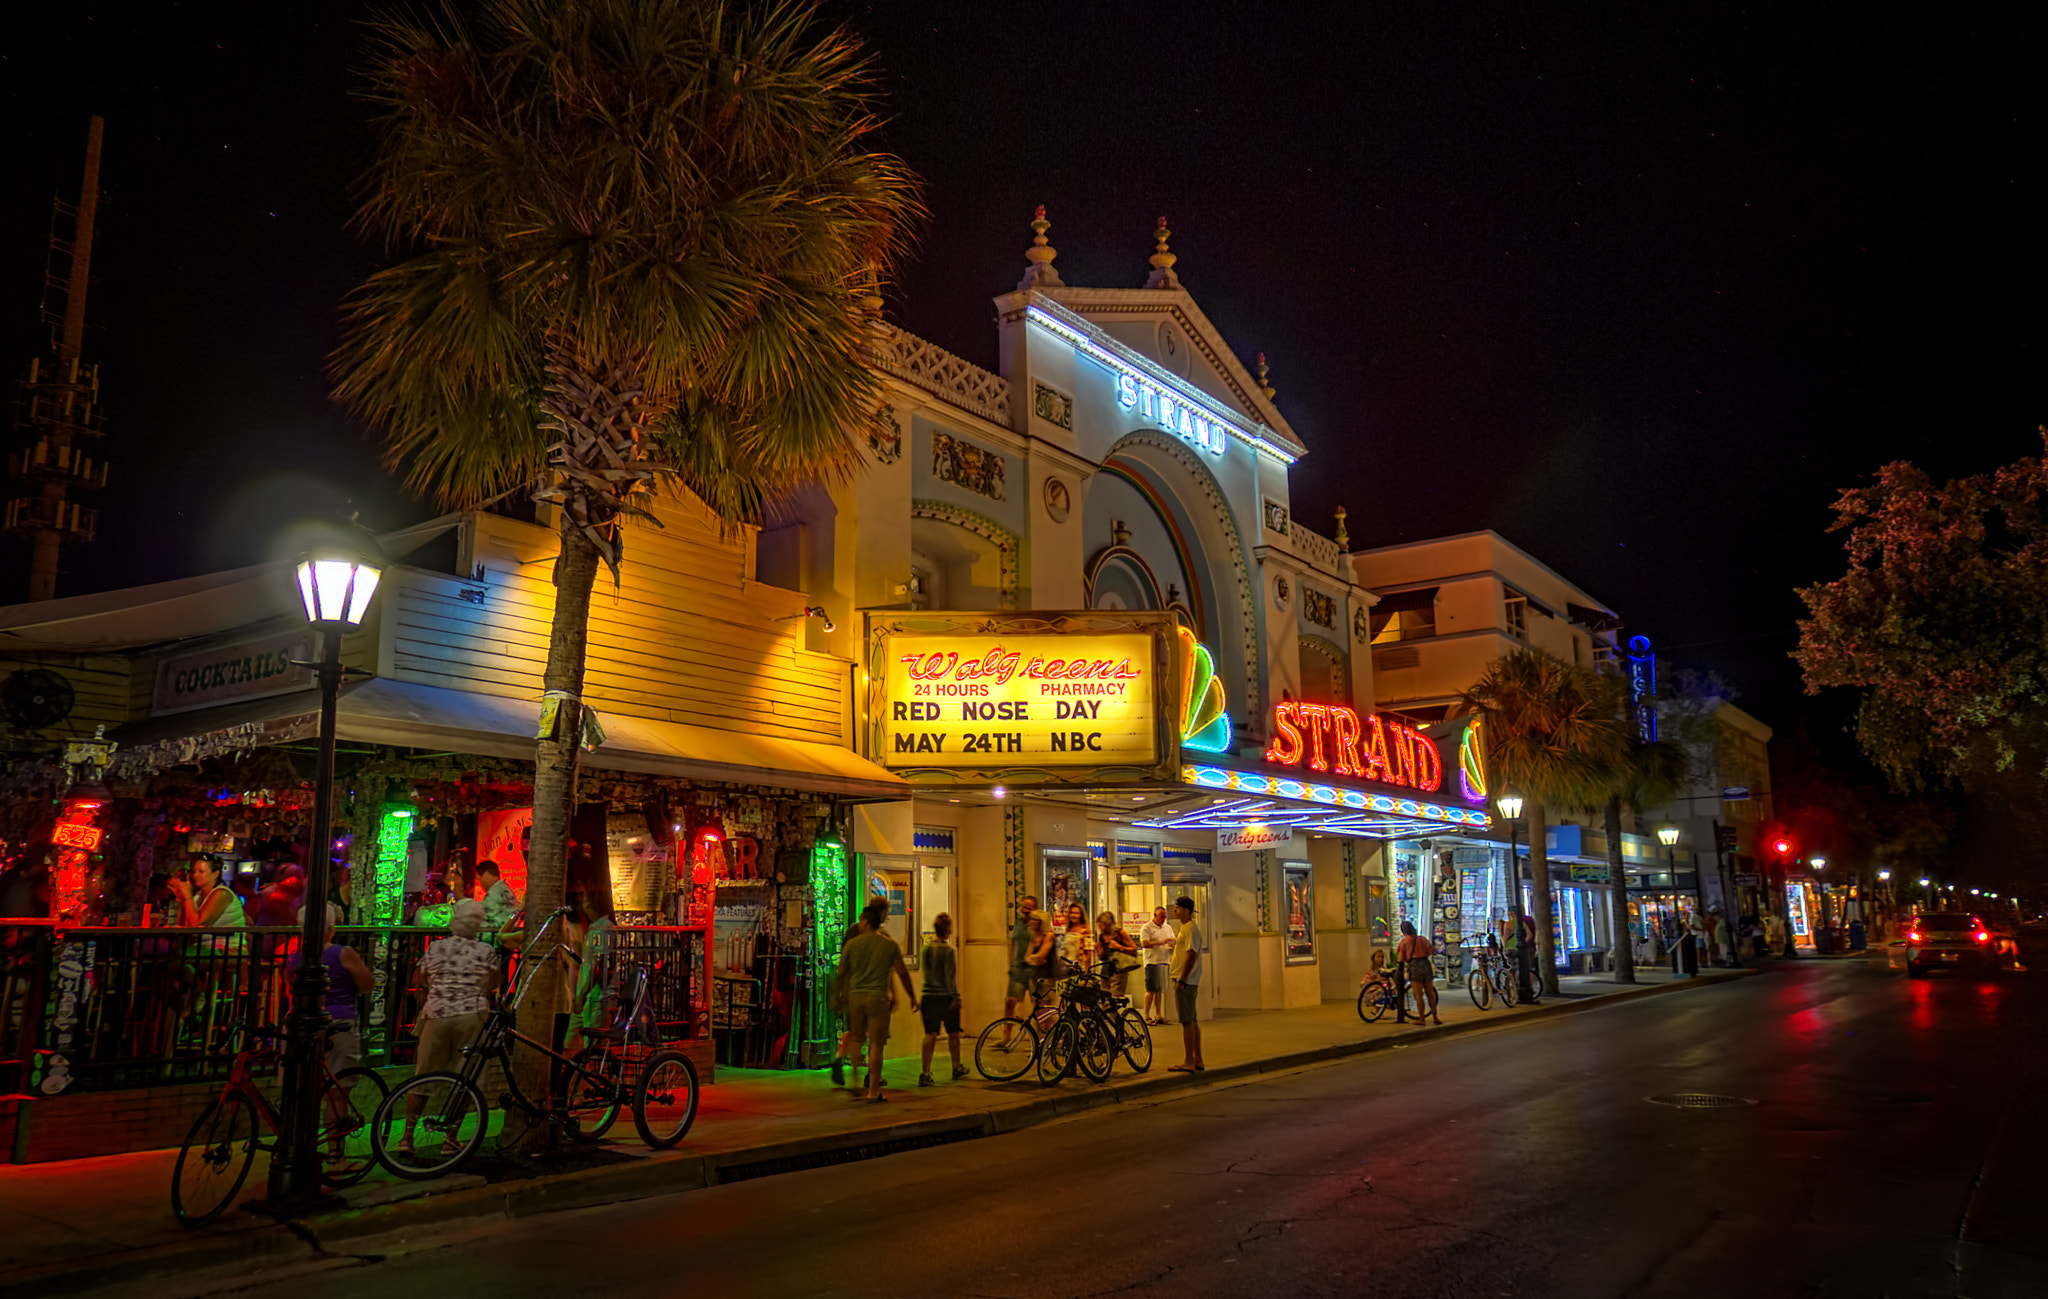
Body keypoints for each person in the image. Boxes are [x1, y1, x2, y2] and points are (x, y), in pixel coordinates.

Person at [398, 899, 499, 1153]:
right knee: (466, 1079)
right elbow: (494, 982)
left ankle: (407, 1138)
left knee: (423, 1077)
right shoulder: (485, 951)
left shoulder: (435, 948)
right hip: (472, 1017)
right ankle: (451, 1138)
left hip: (436, 1015)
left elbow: (419, 979)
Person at [841, 897, 915, 1101]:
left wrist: (839, 995)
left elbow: (842, 971)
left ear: (865, 919)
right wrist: (910, 997)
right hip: (877, 997)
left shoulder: (852, 939)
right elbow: (899, 972)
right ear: (879, 915)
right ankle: (873, 1090)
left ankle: (853, 1078)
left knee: (856, 1037)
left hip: (855, 996)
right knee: (876, 1043)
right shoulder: (887, 941)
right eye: (886, 912)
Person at [287, 902, 374, 1074]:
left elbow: (289, 988)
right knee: (339, 1083)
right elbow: (367, 984)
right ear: (331, 928)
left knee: (300, 1081)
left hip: (300, 1024)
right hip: (339, 1022)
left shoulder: (294, 958)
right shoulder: (344, 954)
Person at [917, 912, 966, 1086]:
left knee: (930, 1034)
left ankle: (925, 1072)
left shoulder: (926, 949)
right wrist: (955, 997)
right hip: (944, 997)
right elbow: (949, 977)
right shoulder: (948, 951)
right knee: (953, 1033)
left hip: (928, 996)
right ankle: (956, 1067)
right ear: (948, 930)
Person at [1166, 895, 1205, 1072]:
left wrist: (1182, 978)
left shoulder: (1190, 928)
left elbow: (1191, 955)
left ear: (1186, 910)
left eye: (1178, 908)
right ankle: (1197, 1059)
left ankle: (1189, 1059)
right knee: (1192, 1020)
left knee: (1187, 1021)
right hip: (1186, 979)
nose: (1175, 910)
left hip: (1186, 981)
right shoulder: (1185, 928)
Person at [169, 859, 246, 929]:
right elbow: (175, 924)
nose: (195, 875)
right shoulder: (197, 895)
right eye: (194, 872)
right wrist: (179, 898)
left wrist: (188, 897)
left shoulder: (222, 893)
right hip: (196, 944)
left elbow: (196, 925)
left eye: (201, 872)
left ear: (215, 874)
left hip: (221, 944)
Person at [1002, 894, 1041, 1025]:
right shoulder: (1018, 922)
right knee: (1010, 1002)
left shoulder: (1039, 925)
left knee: (1038, 1006)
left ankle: (1043, 1036)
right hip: (1017, 969)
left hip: (1033, 970)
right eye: (1025, 907)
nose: (1026, 910)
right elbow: (1012, 942)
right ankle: (1006, 1036)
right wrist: (1011, 962)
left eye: (1030, 908)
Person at [1397, 920, 1441, 1024]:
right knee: (1430, 993)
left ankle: (1422, 1019)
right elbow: (1431, 951)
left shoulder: (1404, 941)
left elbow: (1402, 957)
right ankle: (1435, 1017)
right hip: (1426, 965)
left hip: (1414, 967)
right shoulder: (1423, 939)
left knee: (1418, 995)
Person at [1139, 905, 1176, 1025]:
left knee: (1159, 990)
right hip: (1152, 962)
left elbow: (1172, 941)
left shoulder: (1168, 927)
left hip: (1164, 961)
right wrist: (1161, 942)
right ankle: (1146, 1015)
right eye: (1161, 917)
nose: (1163, 919)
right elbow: (1144, 943)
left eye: (1165, 917)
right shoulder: (1147, 928)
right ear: (1154, 916)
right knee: (1151, 989)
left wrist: (1171, 943)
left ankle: (1158, 1015)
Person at [1095, 911, 1139, 997]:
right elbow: (1102, 957)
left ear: (1106, 924)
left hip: (1118, 970)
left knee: (1115, 997)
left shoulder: (1120, 933)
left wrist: (1119, 947)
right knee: (1104, 997)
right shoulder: (1101, 936)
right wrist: (1098, 951)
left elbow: (1134, 949)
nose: (1099, 928)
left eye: (1101, 925)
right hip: (1105, 971)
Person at [478, 860, 521, 931]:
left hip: (495, 936)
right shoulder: (503, 889)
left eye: (480, 879)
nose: (481, 883)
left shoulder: (495, 892)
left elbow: (479, 914)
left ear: (486, 875)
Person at [1061, 902, 1093, 976]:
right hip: (1066, 967)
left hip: (1079, 968)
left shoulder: (1085, 931)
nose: (1073, 915)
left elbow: (1088, 954)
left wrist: (1086, 972)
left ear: (1081, 915)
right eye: (1071, 913)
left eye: (1076, 913)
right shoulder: (1068, 929)